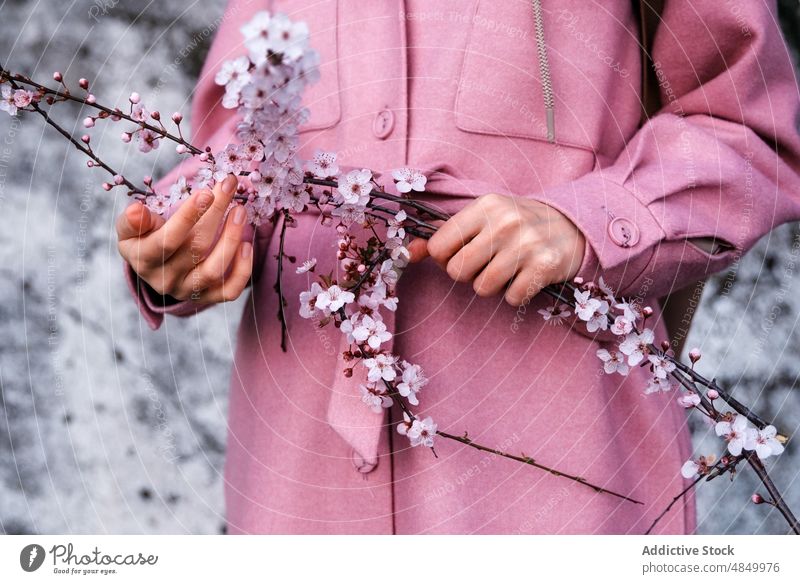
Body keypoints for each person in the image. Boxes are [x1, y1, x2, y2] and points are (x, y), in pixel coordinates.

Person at [115, 0, 800, 534]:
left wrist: (594, 219)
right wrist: (183, 239)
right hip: (298, 477)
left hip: (559, 466)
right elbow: (238, 137)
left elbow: (746, 123)